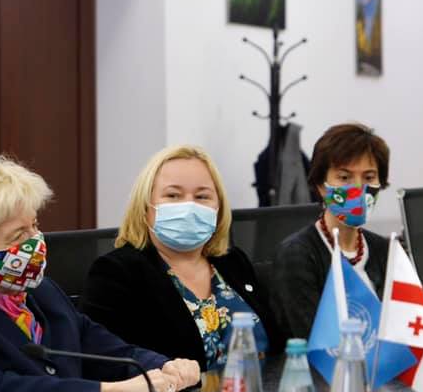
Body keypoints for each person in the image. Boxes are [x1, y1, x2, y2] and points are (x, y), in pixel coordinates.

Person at [0, 157, 201, 392]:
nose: (36, 240)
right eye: (19, 235)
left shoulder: (42, 292)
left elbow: (108, 350)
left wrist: (165, 367)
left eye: (35, 225)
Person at [80, 146, 284, 374]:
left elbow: (276, 344)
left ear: (219, 208)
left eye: (202, 196)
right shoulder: (115, 273)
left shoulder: (232, 261)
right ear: (145, 207)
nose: (189, 206)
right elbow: (103, 362)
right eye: (173, 195)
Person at [271, 123, 391, 338]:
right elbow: (312, 339)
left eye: (369, 177)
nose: (358, 188)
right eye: (344, 177)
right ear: (321, 185)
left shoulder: (387, 250)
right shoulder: (297, 254)